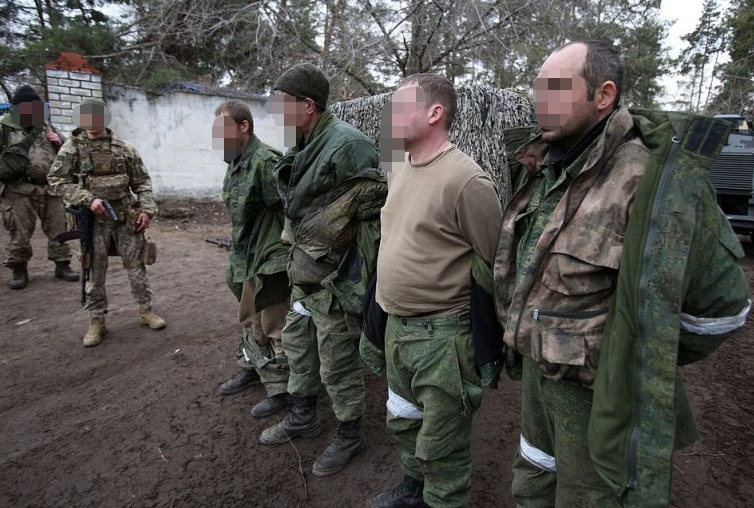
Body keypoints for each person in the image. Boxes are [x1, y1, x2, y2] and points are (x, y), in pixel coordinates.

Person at [492, 39, 751, 507]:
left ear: (604, 95)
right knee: (532, 481)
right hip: (537, 381)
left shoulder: (651, 182)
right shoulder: (545, 166)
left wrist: (634, 354)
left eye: (554, 88)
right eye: (537, 88)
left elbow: (723, 309)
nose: (539, 101)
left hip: (599, 400)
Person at [367, 74, 503, 508]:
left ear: (434, 113)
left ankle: (443, 499)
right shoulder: (398, 164)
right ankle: (414, 489)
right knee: (404, 418)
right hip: (396, 326)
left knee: (443, 441)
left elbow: (493, 259)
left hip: (442, 337)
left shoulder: (466, 180)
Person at [260, 63, 386, 478]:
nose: (276, 114)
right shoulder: (303, 142)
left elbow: (370, 225)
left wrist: (352, 287)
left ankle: (350, 432)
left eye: (282, 105)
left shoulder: (348, 146)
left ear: (308, 105)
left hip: (335, 279)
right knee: (298, 345)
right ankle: (303, 415)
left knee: (337, 360)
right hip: (305, 274)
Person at [48, 97, 166, 347]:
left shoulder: (124, 149)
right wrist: (88, 199)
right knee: (94, 271)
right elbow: (57, 180)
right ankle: (97, 320)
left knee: (136, 266)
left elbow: (142, 183)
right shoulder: (71, 149)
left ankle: (145, 310)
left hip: (125, 217)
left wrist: (146, 210)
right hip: (93, 221)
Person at [212, 100, 291, 418]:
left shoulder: (265, 161)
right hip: (245, 256)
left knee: (274, 325)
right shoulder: (236, 161)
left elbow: (290, 211)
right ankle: (254, 369)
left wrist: (280, 257)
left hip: (269, 259)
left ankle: (282, 389)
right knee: (249, 321)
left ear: (243, 126)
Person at [0, 84, 79, 289]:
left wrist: (59, 142)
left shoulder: (46, 126)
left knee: (58, 227)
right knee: (19, 231)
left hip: (50, 188)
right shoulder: (5, 128)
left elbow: (70, 153)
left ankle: (62, 264)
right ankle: (19, 269)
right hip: (19, 189)